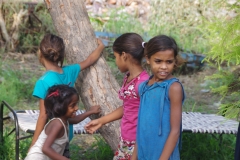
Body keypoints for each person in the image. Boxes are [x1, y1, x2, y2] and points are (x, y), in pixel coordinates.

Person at [30, 34, 104, 155]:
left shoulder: (43, 82)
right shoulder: (69, 71)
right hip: (65, 136)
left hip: (51, 139)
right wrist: (101, 46)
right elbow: (90, 60)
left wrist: (34, 144)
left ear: (40, 53)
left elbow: (43, 116)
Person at [84, 33, 149, 159]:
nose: (115, 61)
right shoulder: (130, 78)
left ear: (123, 55)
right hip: (126, 142)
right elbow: (128, 107)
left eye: (115, 57)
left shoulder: (143, 83)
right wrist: (101, 121)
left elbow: (148, 118)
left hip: (138, 145)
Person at [130, 35, 185, 160]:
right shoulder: (143, 87)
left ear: (174, 61)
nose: (164, 67)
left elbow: (175, 131)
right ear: (148, 59)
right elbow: (141, 128)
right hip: (144, 153)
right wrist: (134, 157)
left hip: (163, 155)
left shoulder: (173, 88)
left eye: (169, 62)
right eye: (158, 61)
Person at [25, 85, 97, 160]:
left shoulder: (63, 120)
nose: (76, 108)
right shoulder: (57, 124)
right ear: (61, 107)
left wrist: (91, 112)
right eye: (72, 105)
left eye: (76, 104)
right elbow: (45, 148)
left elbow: (76, 120)